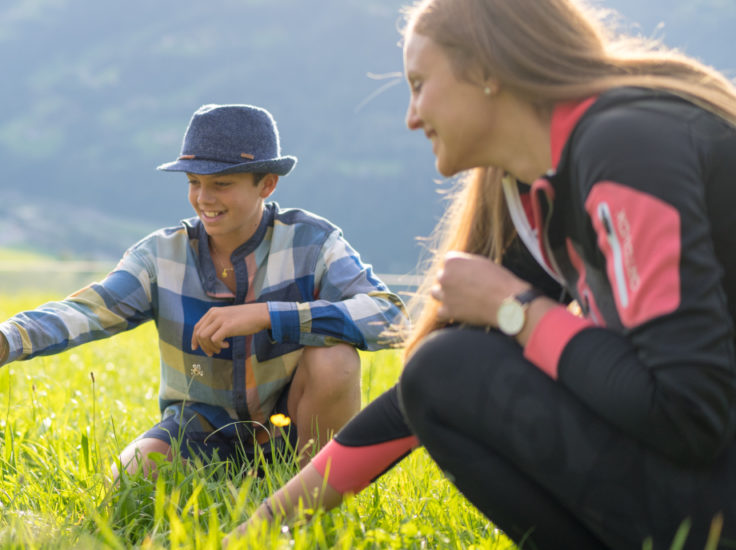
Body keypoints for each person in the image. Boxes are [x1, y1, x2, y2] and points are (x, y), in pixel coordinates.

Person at [232, 0, 736, 547]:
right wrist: (256, 531)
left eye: (420, 83)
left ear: (488, 71)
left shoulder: (627, 148)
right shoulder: (538, 190)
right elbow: (432, 392)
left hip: (710, 470)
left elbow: (688, 410)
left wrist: (516, 309)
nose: (412, 115)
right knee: (440, 368)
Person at [0, 104, 407, 479]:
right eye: (195, 183)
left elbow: (391, 318)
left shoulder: (314, 241)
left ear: (267, 183)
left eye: (221, 183)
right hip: (197, 430)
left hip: (290, 428)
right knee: (127, 483)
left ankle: (309, 501)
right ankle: (238, 485)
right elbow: (86, 311)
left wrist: (269, 315)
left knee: (335, 358)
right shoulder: (161, 256)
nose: (204, 198)